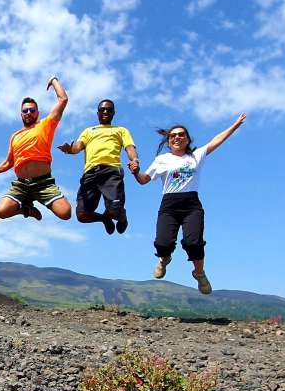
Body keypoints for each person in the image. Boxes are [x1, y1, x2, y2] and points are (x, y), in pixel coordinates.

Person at [131, 113, 247, 295]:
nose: (177, 137)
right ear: (169, 141)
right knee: (163, 243)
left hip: (191, 204)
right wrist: (135, 172)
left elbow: (216, 140)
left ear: (187, 140)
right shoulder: (162, 160)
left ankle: (199, 274)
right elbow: (144, 180)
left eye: (181, 134)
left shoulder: (196, 156)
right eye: (173, 135)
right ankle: (163, 260)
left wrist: (234, 126)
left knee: (193, 243)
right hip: (169, 204)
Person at [0, 77, 72, 221]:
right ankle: (26, 209)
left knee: (65, 213)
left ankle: (40, 200)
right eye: (25, 110)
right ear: (21, 114)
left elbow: (63, 99)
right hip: (22, 184)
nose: (28, 112)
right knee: (1, 211)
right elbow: (8, 163)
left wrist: (53, 80)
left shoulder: (46, 124)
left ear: (37, 113)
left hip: (43, 183)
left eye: (32, 110)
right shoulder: (15, 136)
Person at [58, 99, 139, 234]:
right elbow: (78, 147)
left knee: (114, 209)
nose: (105, 111)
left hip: (111, 171)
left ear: (113, 113)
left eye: (109, 110)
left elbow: (129, 147)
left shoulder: (120, 130)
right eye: (102, 110)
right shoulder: (89, 131)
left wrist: (135, 159)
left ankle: (122, 217)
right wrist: (69, 149)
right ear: (98, 113)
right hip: (90, 174)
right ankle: (104, 219)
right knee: (82, 215)